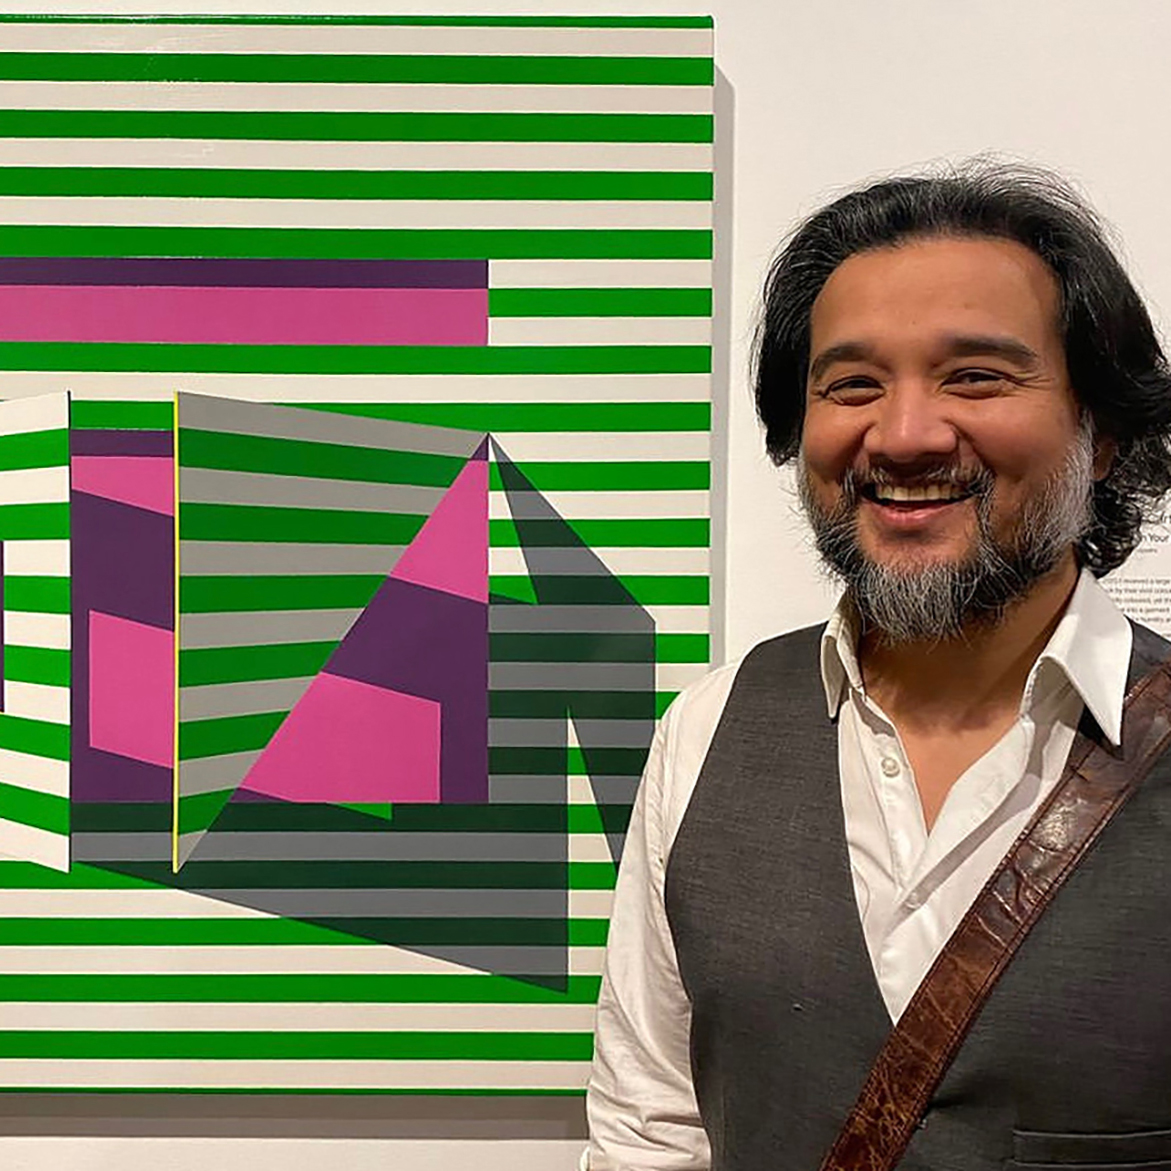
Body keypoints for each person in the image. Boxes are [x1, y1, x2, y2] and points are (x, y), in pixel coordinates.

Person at [584, 162, 1171, 1171]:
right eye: (851, 384)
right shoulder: (707, 731)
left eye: (975, 376)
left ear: (1103, 430)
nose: (902, 436)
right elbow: (651, 1128)